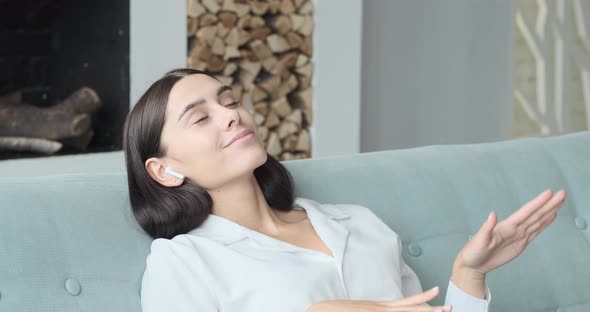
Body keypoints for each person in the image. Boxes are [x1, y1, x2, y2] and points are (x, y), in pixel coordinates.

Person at [123, 68, 567, 312]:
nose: (231, 116)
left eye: (229, 101)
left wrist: (469, 276)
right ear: (164, 170)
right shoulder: (185, 261)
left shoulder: (357, 222)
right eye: (201, 118)